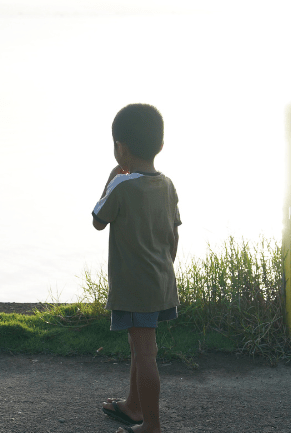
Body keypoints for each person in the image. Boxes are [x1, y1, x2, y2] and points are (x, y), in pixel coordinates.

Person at [92, 104, 180, 433]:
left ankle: (151, 426)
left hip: (134, 288)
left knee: (145, 354)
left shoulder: (122, 185)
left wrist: (112, 177)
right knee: (140, 346)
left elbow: (98, 220)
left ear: (121, 149)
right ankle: (132, 406)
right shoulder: (167, 185)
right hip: (160, 281)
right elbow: (174, 234)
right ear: (159, 145)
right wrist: (165, 268)